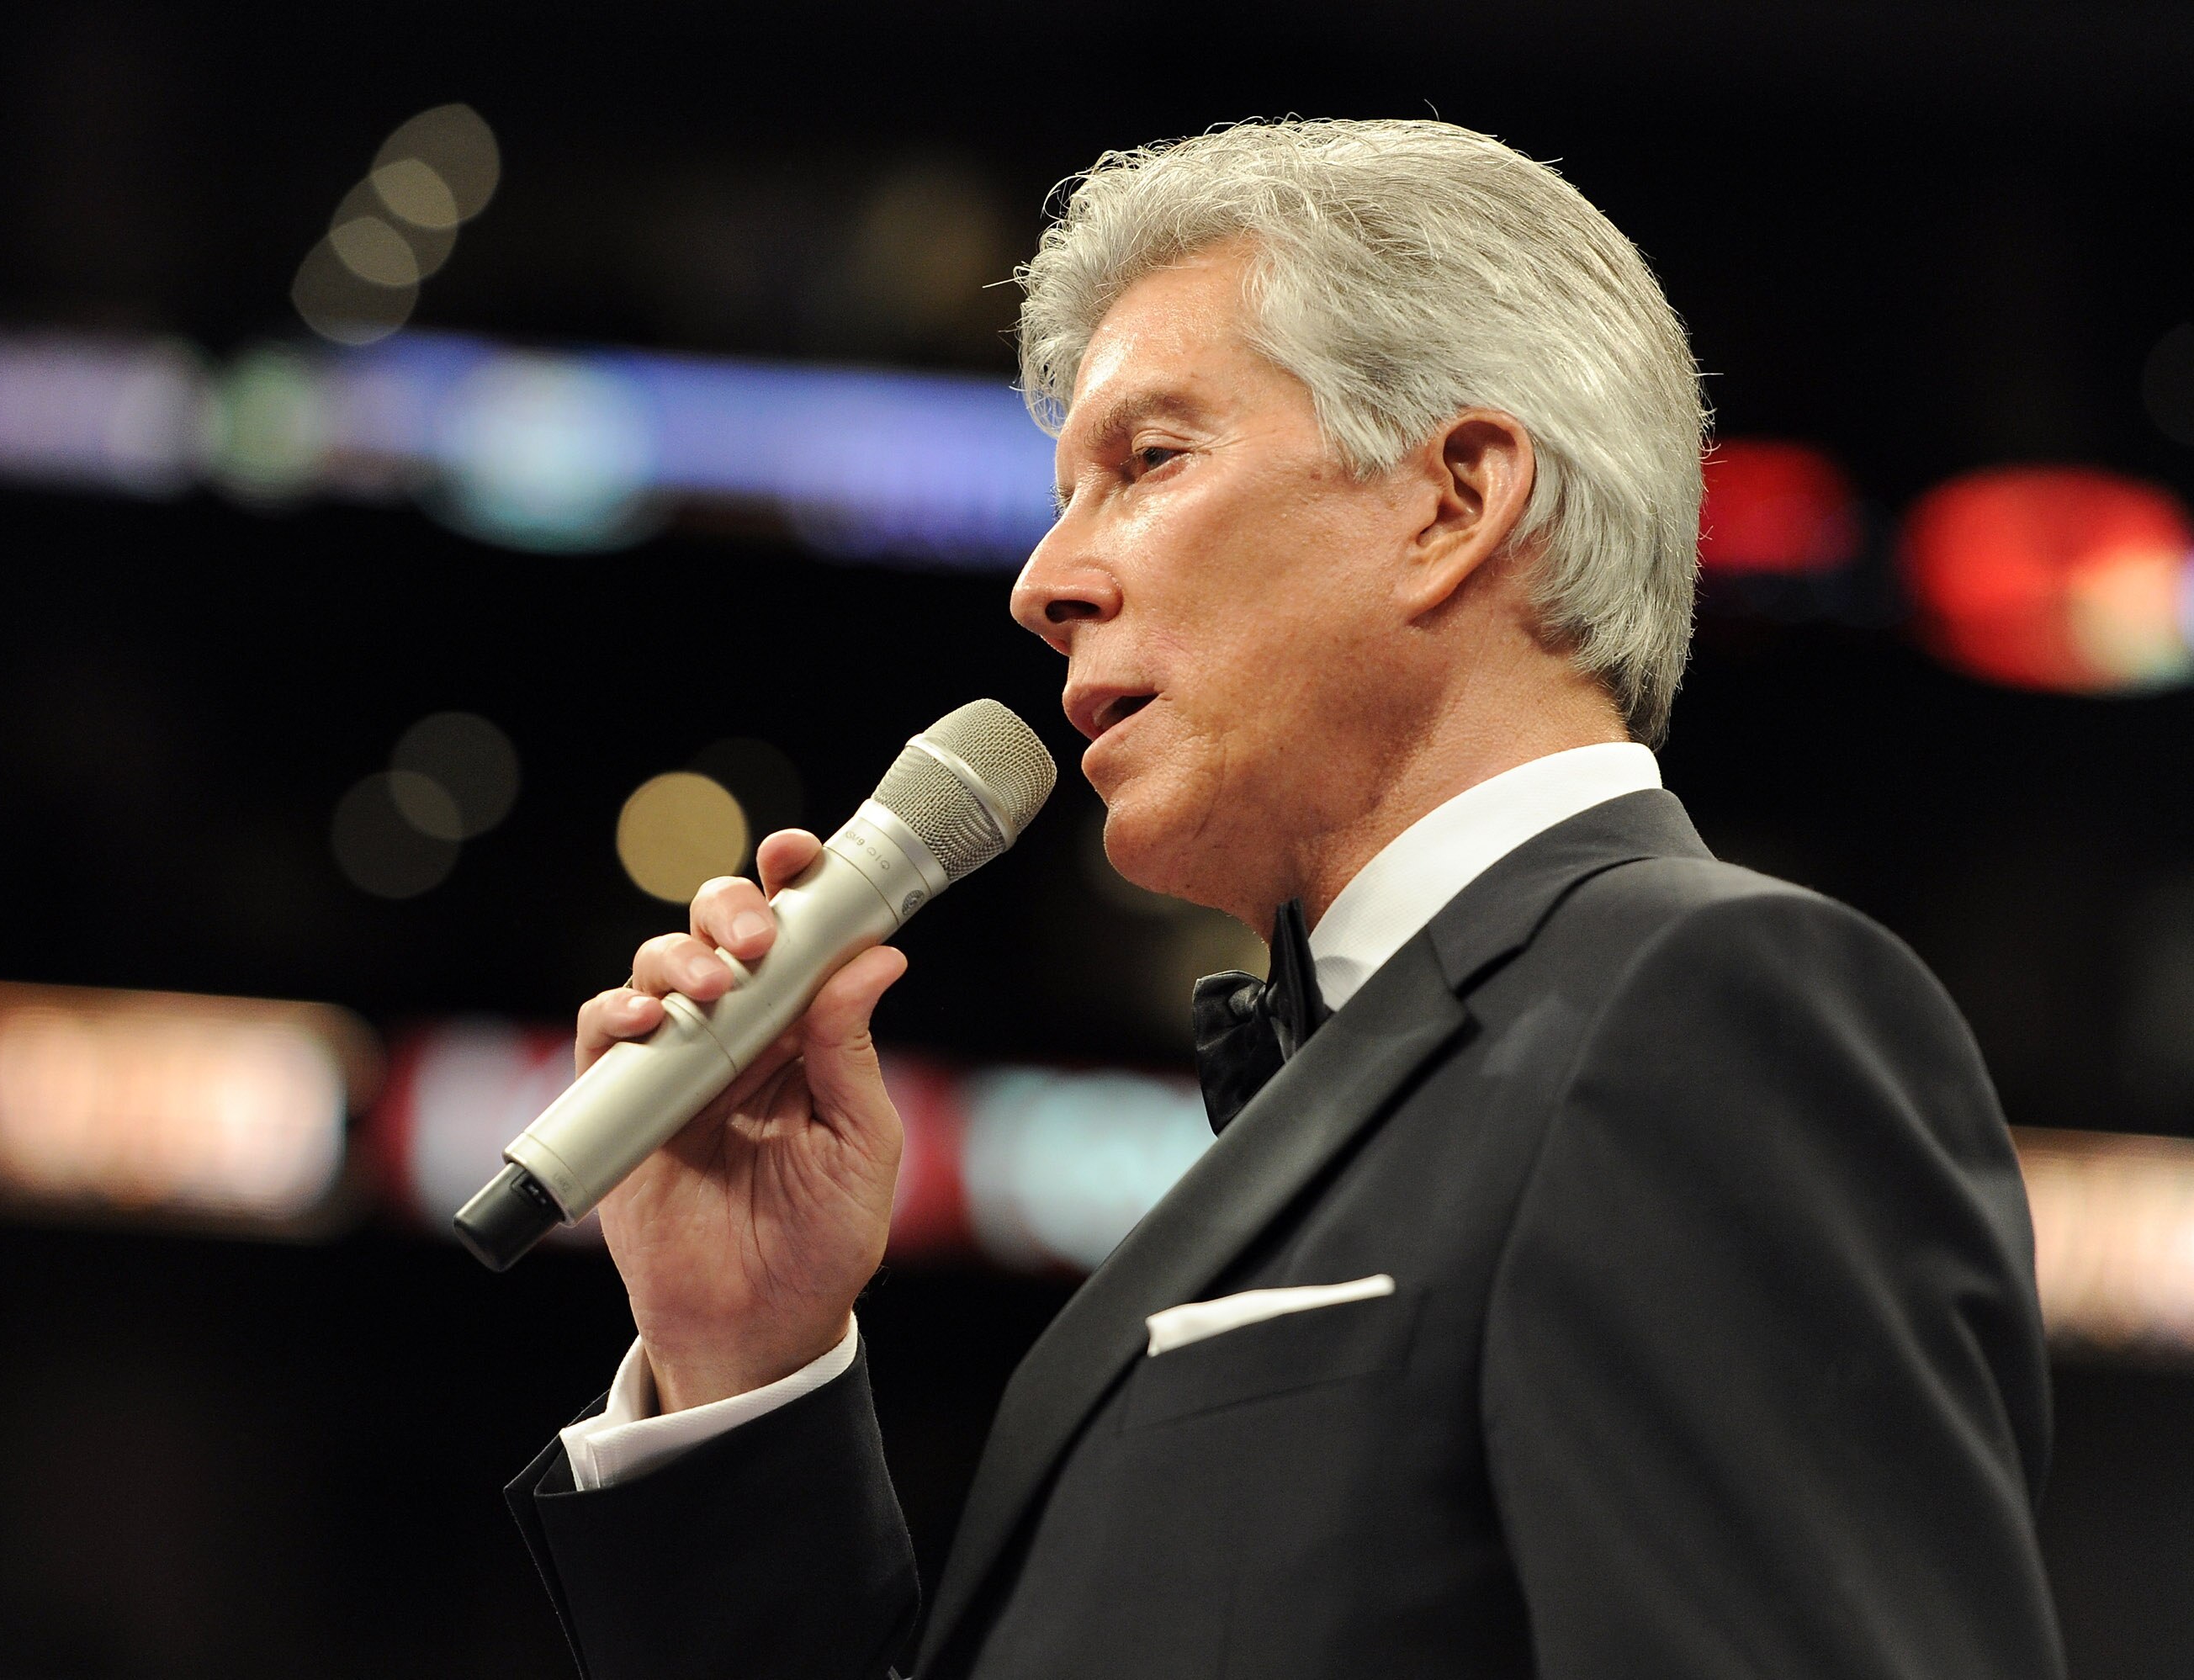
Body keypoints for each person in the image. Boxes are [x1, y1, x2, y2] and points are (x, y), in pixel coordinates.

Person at [503, 119, 2061, 1680]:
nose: (1042, 579)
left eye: (1149, 459)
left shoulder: (1713, 1007)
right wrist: (740, 1362)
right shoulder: (1383, 1091)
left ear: (1454, 500)